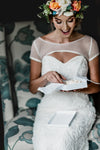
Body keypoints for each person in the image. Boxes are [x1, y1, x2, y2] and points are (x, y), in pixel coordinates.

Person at [29, 0, 100, 149]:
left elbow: (97, 86)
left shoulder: (89, 43)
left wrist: (80, 88)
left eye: (70, 20)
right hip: (49, 108)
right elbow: (32, 88)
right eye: (58, 21)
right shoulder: (39, 44)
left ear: (78, 18)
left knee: (62, 143)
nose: (65, 27)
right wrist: (45, 77)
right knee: (43, 144)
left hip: (78, 108)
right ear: (51, 19)